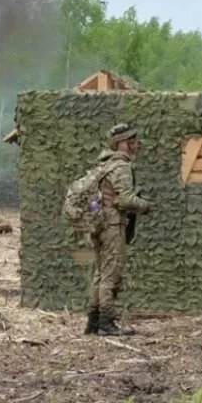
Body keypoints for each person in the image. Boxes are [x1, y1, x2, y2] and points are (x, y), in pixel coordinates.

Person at [84, 123, 151, 336]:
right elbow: (125, 199)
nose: (135, 144)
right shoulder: (120, 166)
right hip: (112, 226)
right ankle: (106, 323)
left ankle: (93, 323)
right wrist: (145, 205)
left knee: (100, 274)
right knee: (110, 275)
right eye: (131, 140)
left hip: (100, 225)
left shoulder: (104, 165)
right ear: (121, 143)